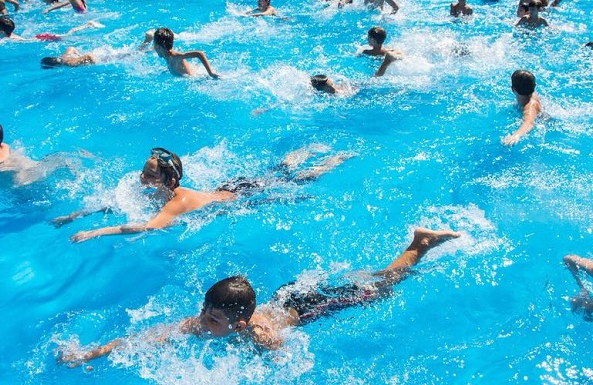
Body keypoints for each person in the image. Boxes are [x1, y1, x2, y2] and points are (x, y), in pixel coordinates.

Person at [57, 226, 460, 363]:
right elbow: (147, 337)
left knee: (380, 289)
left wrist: (264, 345)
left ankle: (419, 245)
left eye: (213, 319)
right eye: (205, 312)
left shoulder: (257, 331)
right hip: (284, 297)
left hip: (308, 308)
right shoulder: (205, 322)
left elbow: (281, 353)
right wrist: (90, 352)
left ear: (239, 324)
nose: (202, 322)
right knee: (367, 281)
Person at [64, 145, 349, 242]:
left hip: (241, 196)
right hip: (227, 187)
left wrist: (96, 232)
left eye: (149, 175)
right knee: (277, 173)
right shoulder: (161, 191)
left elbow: (150, 227)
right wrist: (78, 215)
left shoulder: (177, 202)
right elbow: (119, 203)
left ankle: (332, 161)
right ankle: (301, 153)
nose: (142, 178)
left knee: (292, 180)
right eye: (143, 172)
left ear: (168, 180)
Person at [140, 27, 220, 77]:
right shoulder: (164, 51)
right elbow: (141, 52)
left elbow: (199, 53)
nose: (154, 48)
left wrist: (211, 73)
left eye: (154, 44)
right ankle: (149, 38)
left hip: (194, 75)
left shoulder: (174, 57)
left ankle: (150, 38)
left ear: (158, 46)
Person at [502, 69, 542, 146]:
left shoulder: (529, 107)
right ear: (534, 86)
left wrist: (515, 136)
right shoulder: (531, 94)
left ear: (512, 89)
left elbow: (528, 122)